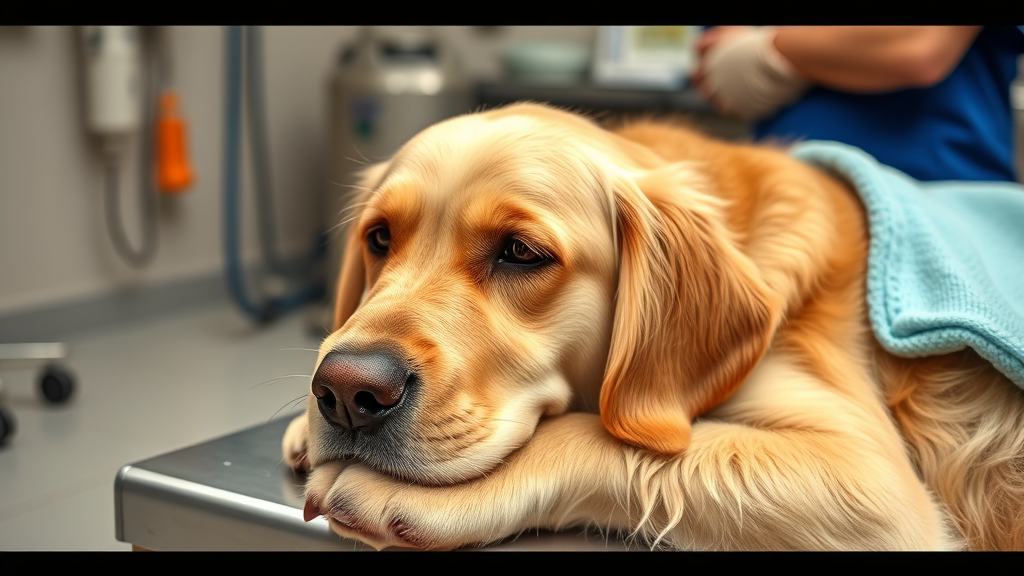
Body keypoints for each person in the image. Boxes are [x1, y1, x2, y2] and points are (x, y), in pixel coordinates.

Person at [692, 26, 1024, 182]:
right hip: (788, 198)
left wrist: (769, 47)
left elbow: (917, 45)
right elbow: (721, 72)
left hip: (944, 199)